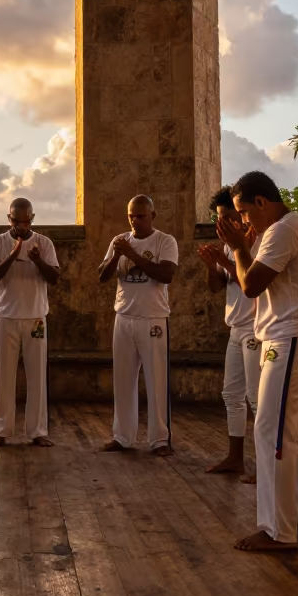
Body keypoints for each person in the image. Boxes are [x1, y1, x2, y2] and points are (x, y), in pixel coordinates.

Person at [218, 170, 298, 552]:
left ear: (262, 203)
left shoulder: (284, 230)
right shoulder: (284, 229)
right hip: (292, 338)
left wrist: (237, 247)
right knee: (293, 434)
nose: (243, 221)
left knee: (271, 432)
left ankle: (278, 531)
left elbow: (250, 286)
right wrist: (248, 243)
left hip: (292, 339)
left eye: (245, 213)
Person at [99, 195, 178, 456]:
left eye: (141, 216)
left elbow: (166, 274)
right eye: (131, 215)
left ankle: (160, 439)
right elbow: (102, 276)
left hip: (152, 318)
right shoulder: (119, 241)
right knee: (123, 379)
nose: (135, 220)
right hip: (124, 316)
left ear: (152, 216)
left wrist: (134, 255)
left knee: (156, 379)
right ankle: (122, 436)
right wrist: (116, 256)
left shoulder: (164, 241)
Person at [0, 197, 59, 448]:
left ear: (32, 219)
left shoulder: (44, 243)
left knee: (37, 375)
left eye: (26, 221)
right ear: (9, 219)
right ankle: (1, 430)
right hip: (6, 316)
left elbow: (54, 277)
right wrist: (13, 254)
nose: (22, 226)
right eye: (17, 222)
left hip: (36, 317)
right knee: (4, 375)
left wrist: (38, 260)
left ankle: (38, 431)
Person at [197, 187, 261, 478]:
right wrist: (213, 266)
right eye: (219, 218)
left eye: (229, 217)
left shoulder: (258, 242)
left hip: (255, 328)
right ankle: (236, 458)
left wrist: (225, 260)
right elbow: (217, 287)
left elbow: (252, 282)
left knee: (257, 399)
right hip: (235, 327)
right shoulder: (228, 246)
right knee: (231, 395)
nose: (222, 224)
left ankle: (266, 465)